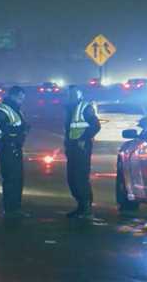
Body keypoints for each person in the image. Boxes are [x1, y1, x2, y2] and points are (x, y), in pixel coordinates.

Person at [64, 85, 101, 219]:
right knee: (72, 178)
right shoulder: (70, 108)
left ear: (80, 94)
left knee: (80, 178)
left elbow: (96, 126)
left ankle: (86, 208)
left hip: (81, 148)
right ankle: (80, 206)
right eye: (69, 94)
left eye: (74, 94)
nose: (71, 96)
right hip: (72, 148)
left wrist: (83, 139)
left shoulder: (85, 107)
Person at [0, 86, 30, 219]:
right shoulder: (2, 109)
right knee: (11, 179)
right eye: (20, 98)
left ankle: (15, 208)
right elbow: (6, 128)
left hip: (15, 147)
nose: (21, 101)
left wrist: (22, 130)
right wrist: (21, 129)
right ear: (12, 96)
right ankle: (10, 209)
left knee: (18, 179)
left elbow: (21, 127)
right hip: (7, 148)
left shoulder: (16, 109)